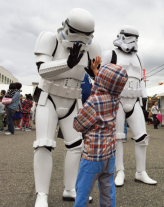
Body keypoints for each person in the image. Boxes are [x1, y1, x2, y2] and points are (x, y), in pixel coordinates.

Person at [33, 8, 101, 206]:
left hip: (72, 101)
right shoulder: (49, 38)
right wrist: (67, 63)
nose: (80, 39)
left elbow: (96, 72)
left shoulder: (92, 46)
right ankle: (41, 194)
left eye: (86, 35)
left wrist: (98, 74)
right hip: (49, 98)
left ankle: (70, 189)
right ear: (66, 26)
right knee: (43, 144)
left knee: (76, 146)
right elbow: (42, 70)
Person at [96, 25, 157, 187]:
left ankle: (141, 171)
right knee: (118, 138)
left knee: (142, 137)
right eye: (130, 37)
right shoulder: (110, 54)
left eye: (136, 38)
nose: (134, 41)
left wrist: (144, 99)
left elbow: (141, 79)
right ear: (121, 36)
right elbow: (100, 77)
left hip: (135, 100)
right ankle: (120, 171)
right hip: (116, 100)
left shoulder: (139, 57)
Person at [73, 63, 128, 207]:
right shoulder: (116, 99)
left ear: (101, 81)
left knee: (83, 191)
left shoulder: (93, 102)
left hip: (92, 156)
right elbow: (106, 86)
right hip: (110, 155)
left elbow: (78, 125)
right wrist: (96, 71)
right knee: (107, 191)